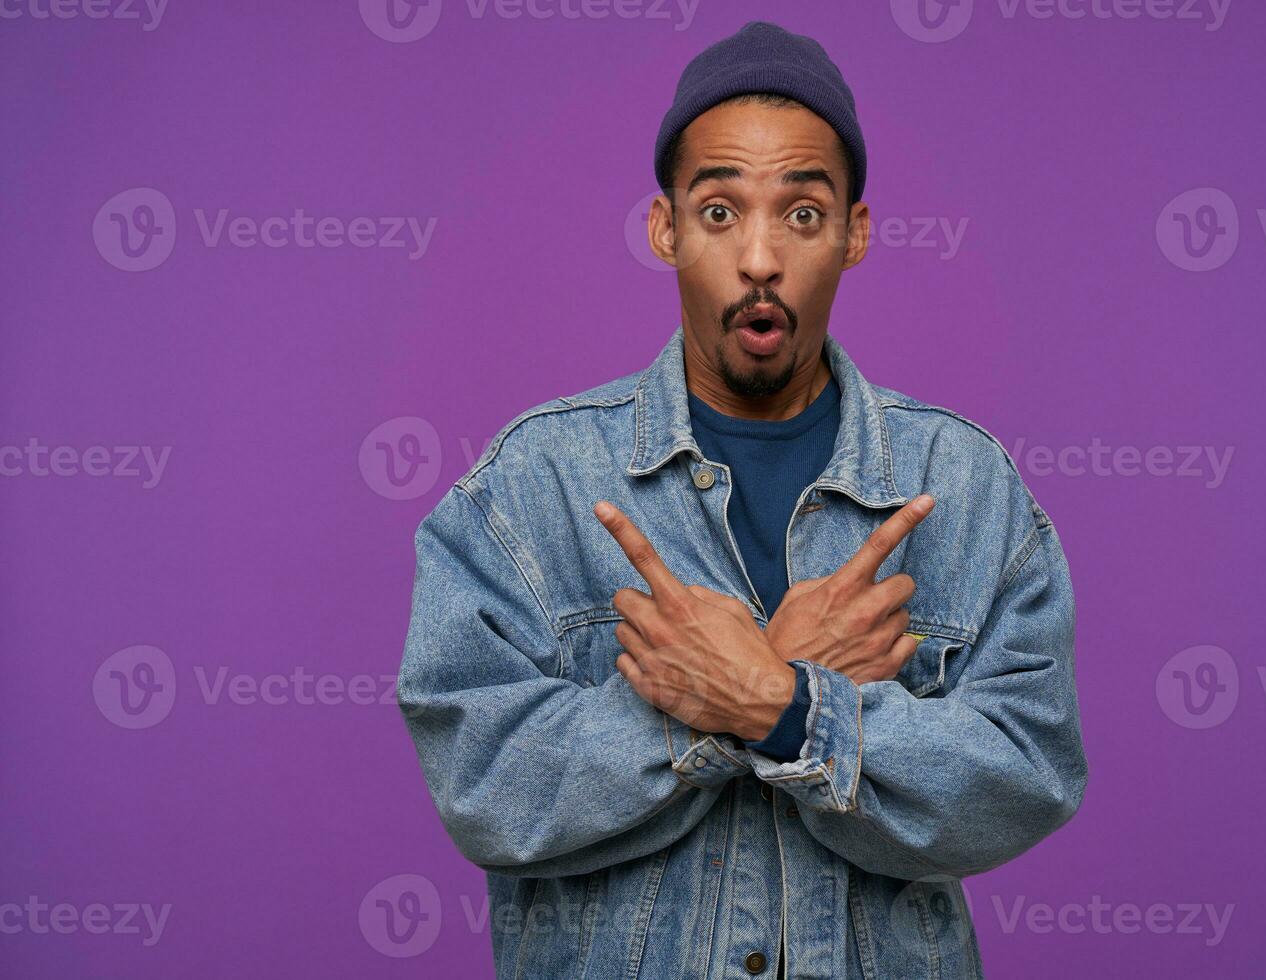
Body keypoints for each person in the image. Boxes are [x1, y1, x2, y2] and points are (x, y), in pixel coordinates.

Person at [398, 20, 1087, 979]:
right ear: (665, 228)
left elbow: (1028, 772)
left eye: (802, 215)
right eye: (720, 212)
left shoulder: (963, 483)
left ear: (855, 233)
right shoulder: (530, 484)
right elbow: (486, 784)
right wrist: (730, 702)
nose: (760, 258)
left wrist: (785, 706)